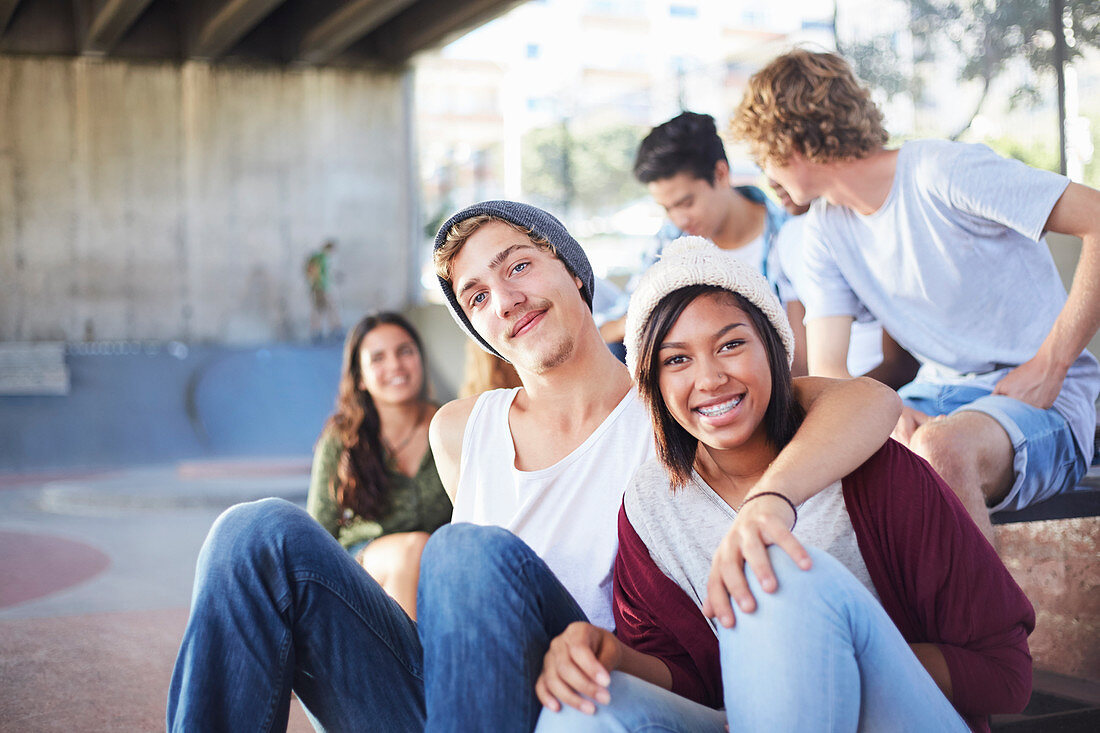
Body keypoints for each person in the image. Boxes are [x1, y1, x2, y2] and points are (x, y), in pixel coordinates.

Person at [166, 200, 901, 732]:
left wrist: (771, 498)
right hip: (450, 702)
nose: (505, 298)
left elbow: (867, 402)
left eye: (519, 263)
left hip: (583, 696)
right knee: (253, 532)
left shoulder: (674, 404)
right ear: (475, 326)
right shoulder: (461, 430)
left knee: (463, 551)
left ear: (574, 273)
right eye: (477, 294)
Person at [534, 237, 1035, 733]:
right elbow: (696, 681)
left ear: (773, 349)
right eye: (677, 360)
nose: (709, 379)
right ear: (653, 383)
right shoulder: (650, 507)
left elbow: (1005, 673)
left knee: (770, 570)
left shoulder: (878, 471)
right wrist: (614, 658)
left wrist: (827, 664)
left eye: (731, 345)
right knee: (586, 709)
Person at [731, 49, 1100, 542]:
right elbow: (831, 373)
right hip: (938, 393)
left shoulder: (942, 171)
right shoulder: (822, 231)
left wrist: (1050, 365)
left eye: (764, 156)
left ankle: (990, 621)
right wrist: (882, 413)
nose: (765, 176)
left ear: (796, 141)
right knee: (805, 460)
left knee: (939, 449)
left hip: (1047, 400)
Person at [598, 112, 789, 349]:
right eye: (667, 208)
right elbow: (610, 325)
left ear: (721, 174)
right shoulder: (670, 239)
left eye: (686, 203)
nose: (678, 219)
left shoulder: (788, 233)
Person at [305, 312, 452, 619]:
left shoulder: (452, 424)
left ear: (421, 360)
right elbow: (318, 533)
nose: (395, 365)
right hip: (363, 564)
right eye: (378, 358)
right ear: (360, 377)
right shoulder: (342, 439)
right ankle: (407, 666)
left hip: (440, 564)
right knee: (412, 549)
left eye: (405, 351)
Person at [769, 177, 918, 386]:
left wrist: (844, 403)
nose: (771, 181)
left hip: (886, 392)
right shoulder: (787, 237)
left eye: (777, 160)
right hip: (837, 391)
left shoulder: (868, 221)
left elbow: (900, 364)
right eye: (760, 166)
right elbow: (802, 361)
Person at [305, 239, 341, 340]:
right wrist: (317, 284)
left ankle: (321, 331)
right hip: (321, 288)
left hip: (321, 287)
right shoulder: (321, 257)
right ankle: (326, 331)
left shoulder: (322, 257)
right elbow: (314, 271)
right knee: (325, 308)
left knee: (323, 309)